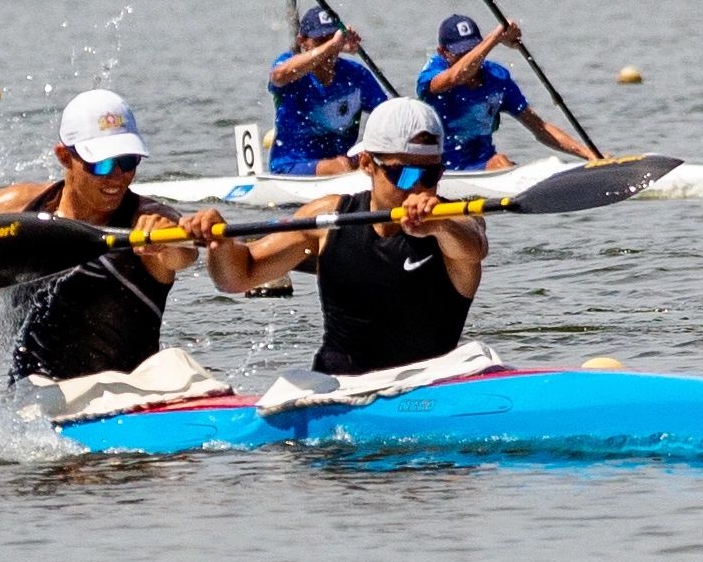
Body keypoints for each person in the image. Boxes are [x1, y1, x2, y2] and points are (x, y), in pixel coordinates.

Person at [0, 88, 198, 381]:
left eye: (128, 162)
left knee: (177, 364)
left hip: (129, 395)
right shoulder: (14, 209)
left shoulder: (148, 219)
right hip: (34, 401)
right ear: (64, 157)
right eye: (101, 164)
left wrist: (165, 240)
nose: (117, 176)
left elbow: (183, 254)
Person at [181, 98, 487, 375]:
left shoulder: (457, 219)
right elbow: (238, 276)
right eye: (404, 174)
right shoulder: (329, 217)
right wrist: (218, 242)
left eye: (430, 174)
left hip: (429, 387)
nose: (419, 187)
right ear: (367, 164)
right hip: (339, 388)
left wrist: (439, 225)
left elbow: (475, 247)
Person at [416, 14, 598, 171]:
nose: (471, 57)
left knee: (500, 162)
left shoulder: (497, 78)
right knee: (500, 163)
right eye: (461, 53)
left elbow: (540, 127)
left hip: (484, 165)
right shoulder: (431, 74)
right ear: (443, 52)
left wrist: (589, 154)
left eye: (473, 49)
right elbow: (455, 77)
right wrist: (495, 38)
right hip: (435, 173)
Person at [267, 5, 391, 175]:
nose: (330, 49)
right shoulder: (288, 66)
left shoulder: (356, 75)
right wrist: (333, 45)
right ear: (302, 41)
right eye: (320, 40)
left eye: (332, 38)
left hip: (344, 162)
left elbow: (389, 115)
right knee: (340, 165)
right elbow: (279, 76)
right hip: (292, 166)